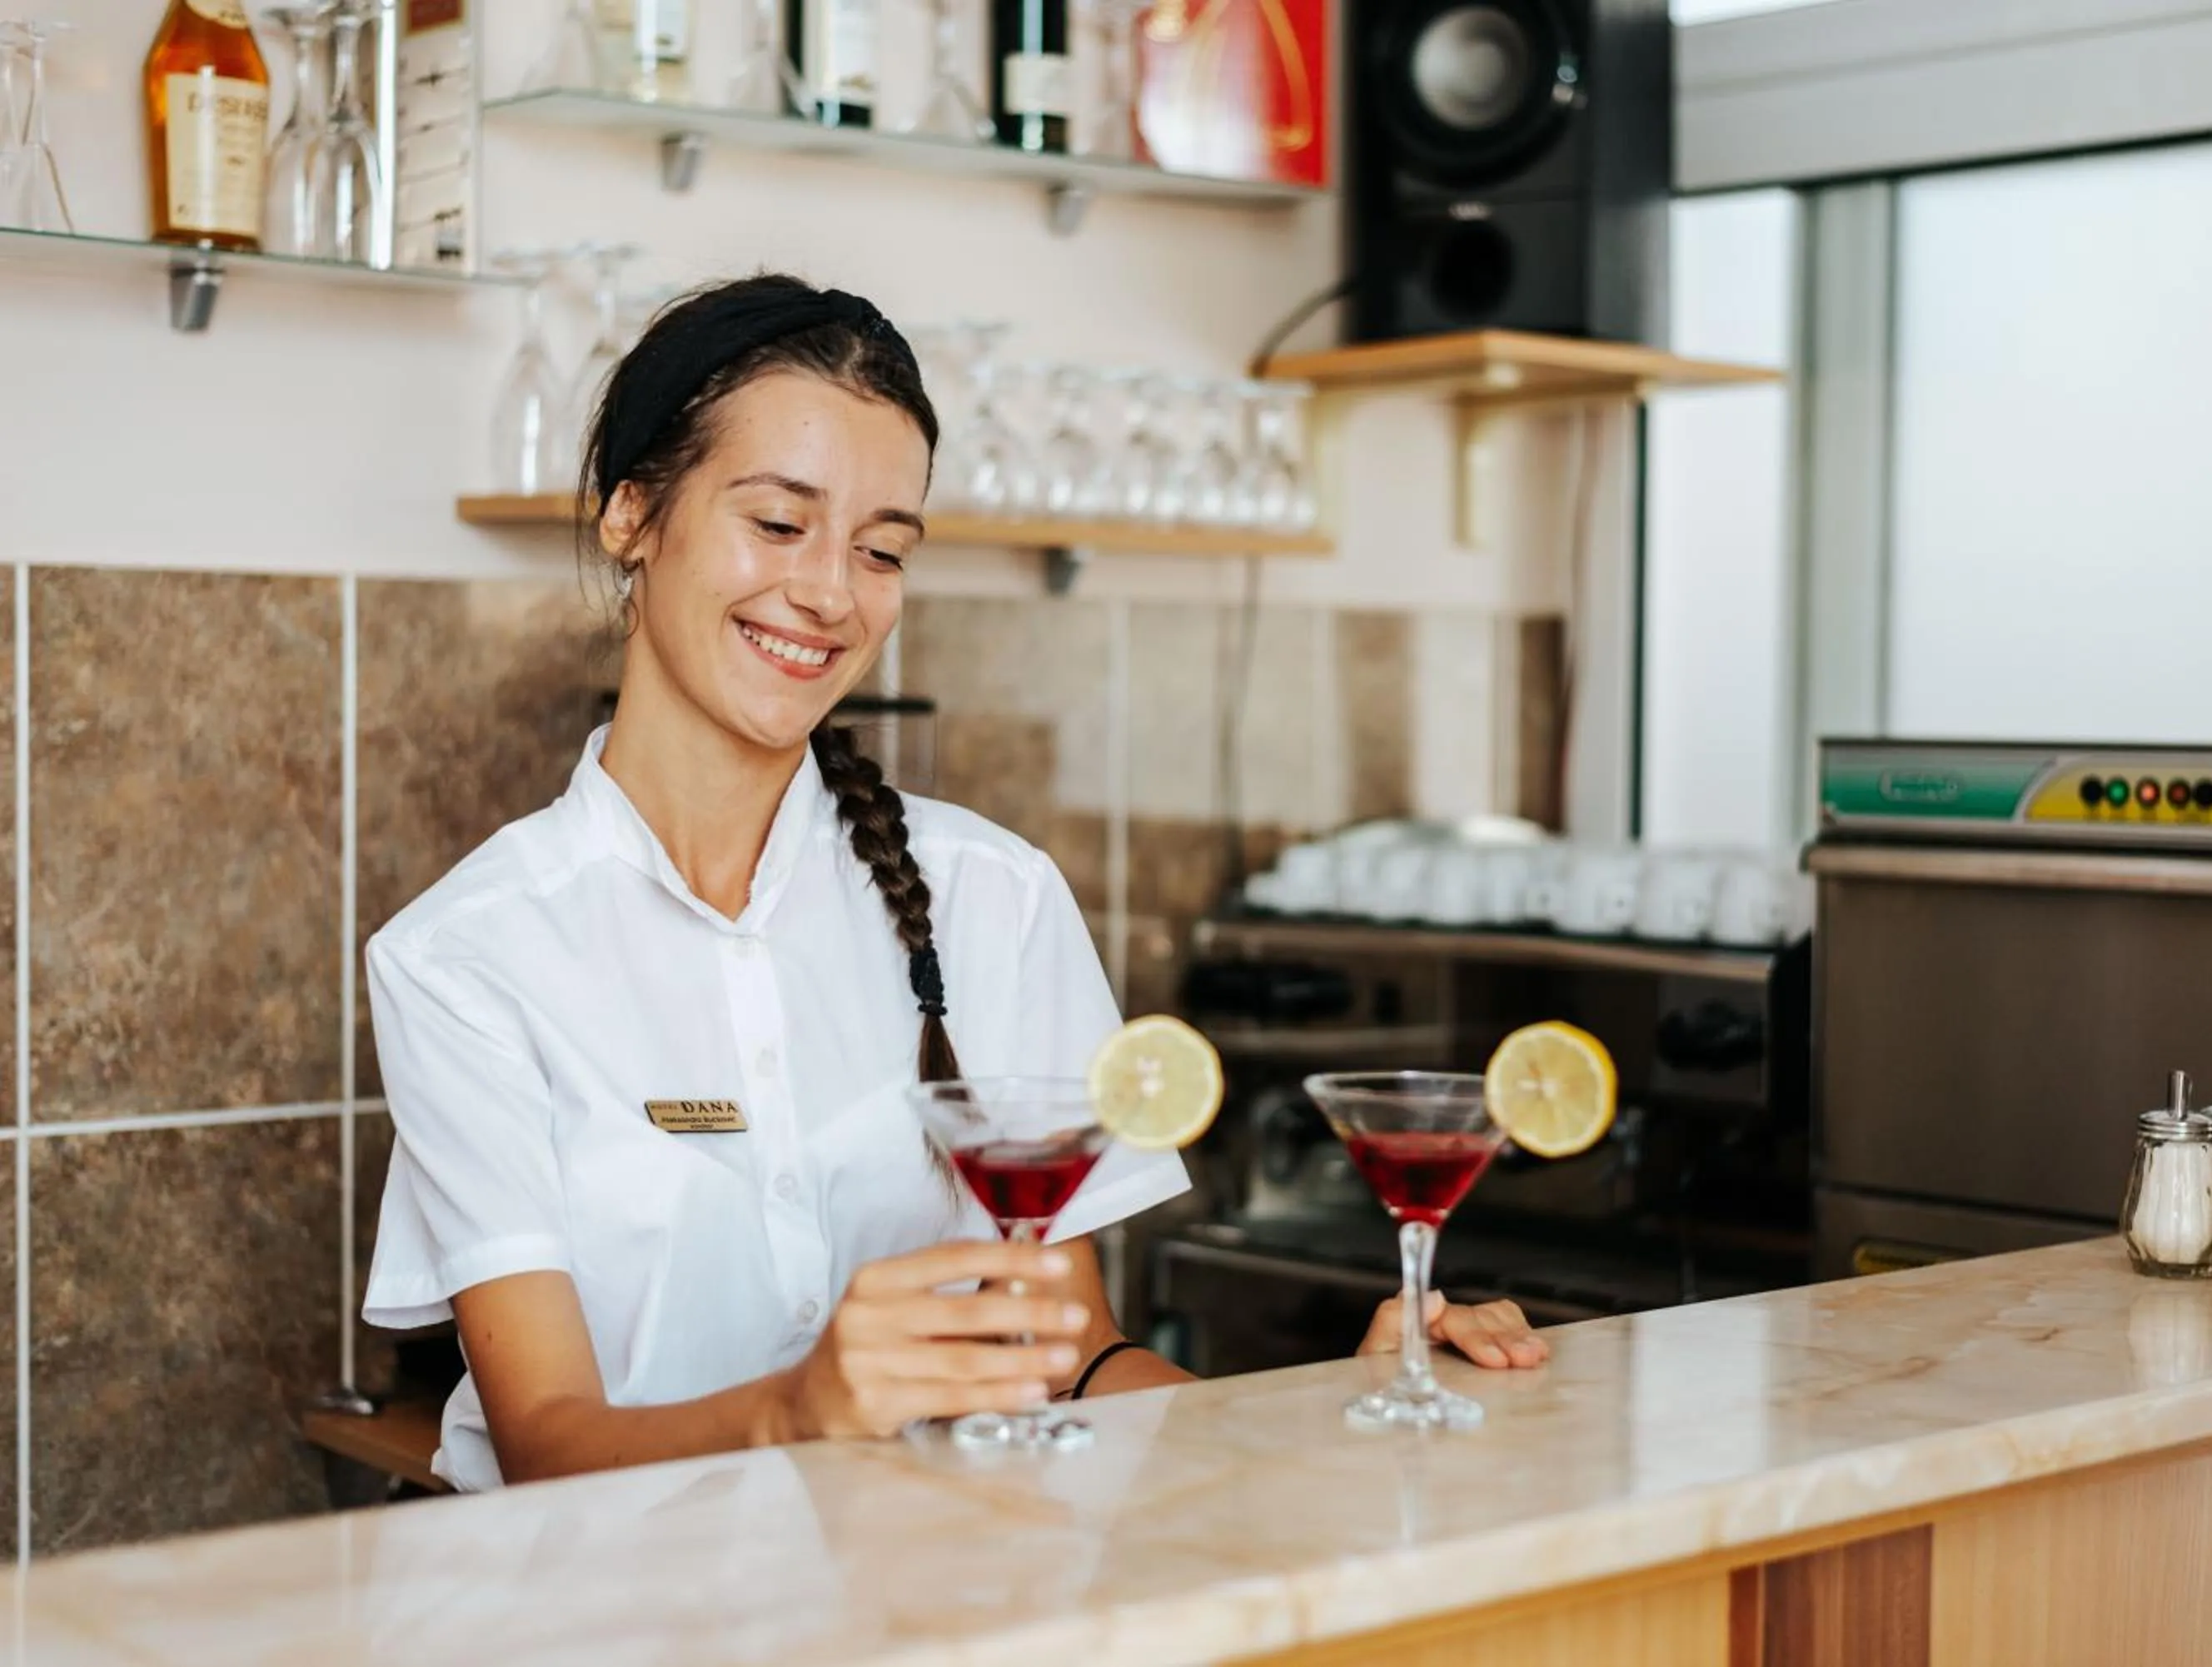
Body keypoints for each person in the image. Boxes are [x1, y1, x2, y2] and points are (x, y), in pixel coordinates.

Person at [361, 276, 1548, 1490]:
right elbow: (545, 1439)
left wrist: (1333, 1416)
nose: (831, 593)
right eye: (779, 525)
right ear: (631, 515)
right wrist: (800, 1407)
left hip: (920, 1596)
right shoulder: (466, 955)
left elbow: (1069, 1356)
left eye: (881, 550)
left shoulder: (995, 897)